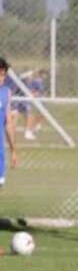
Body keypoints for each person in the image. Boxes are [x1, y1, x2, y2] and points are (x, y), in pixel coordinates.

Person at [0, 59, 16, 187]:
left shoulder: (6, 92)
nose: (1, 78)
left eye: (3, 74)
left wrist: (13, 150)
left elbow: (8, 123)